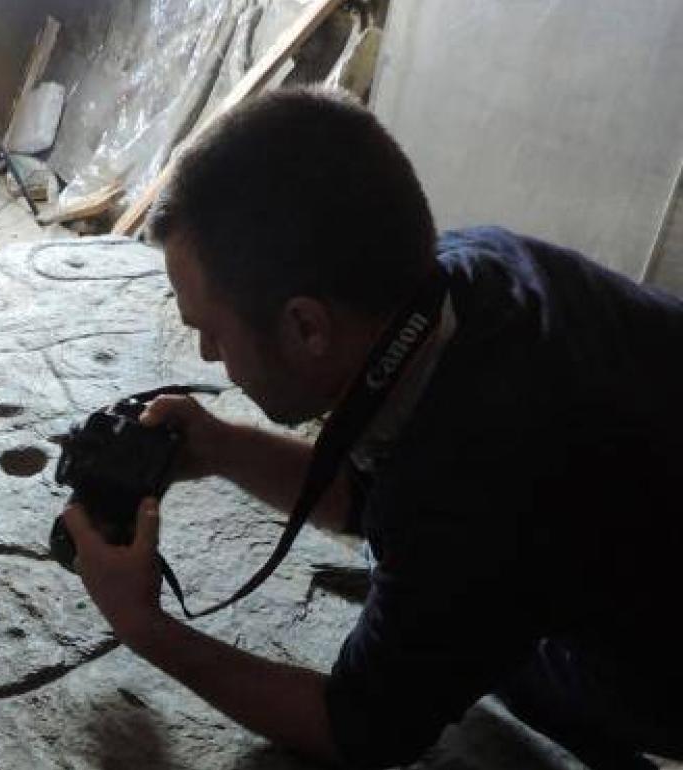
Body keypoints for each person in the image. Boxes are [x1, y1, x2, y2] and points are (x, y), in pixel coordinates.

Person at [60, 87, 683, 769]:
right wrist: (218, 445)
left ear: (306, 326)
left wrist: (145, 626)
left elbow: (361, 726)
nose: (208, 357)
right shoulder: (471, 271)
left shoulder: (472, 483)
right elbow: (378, 489)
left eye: (210, 332)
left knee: (494, 663)